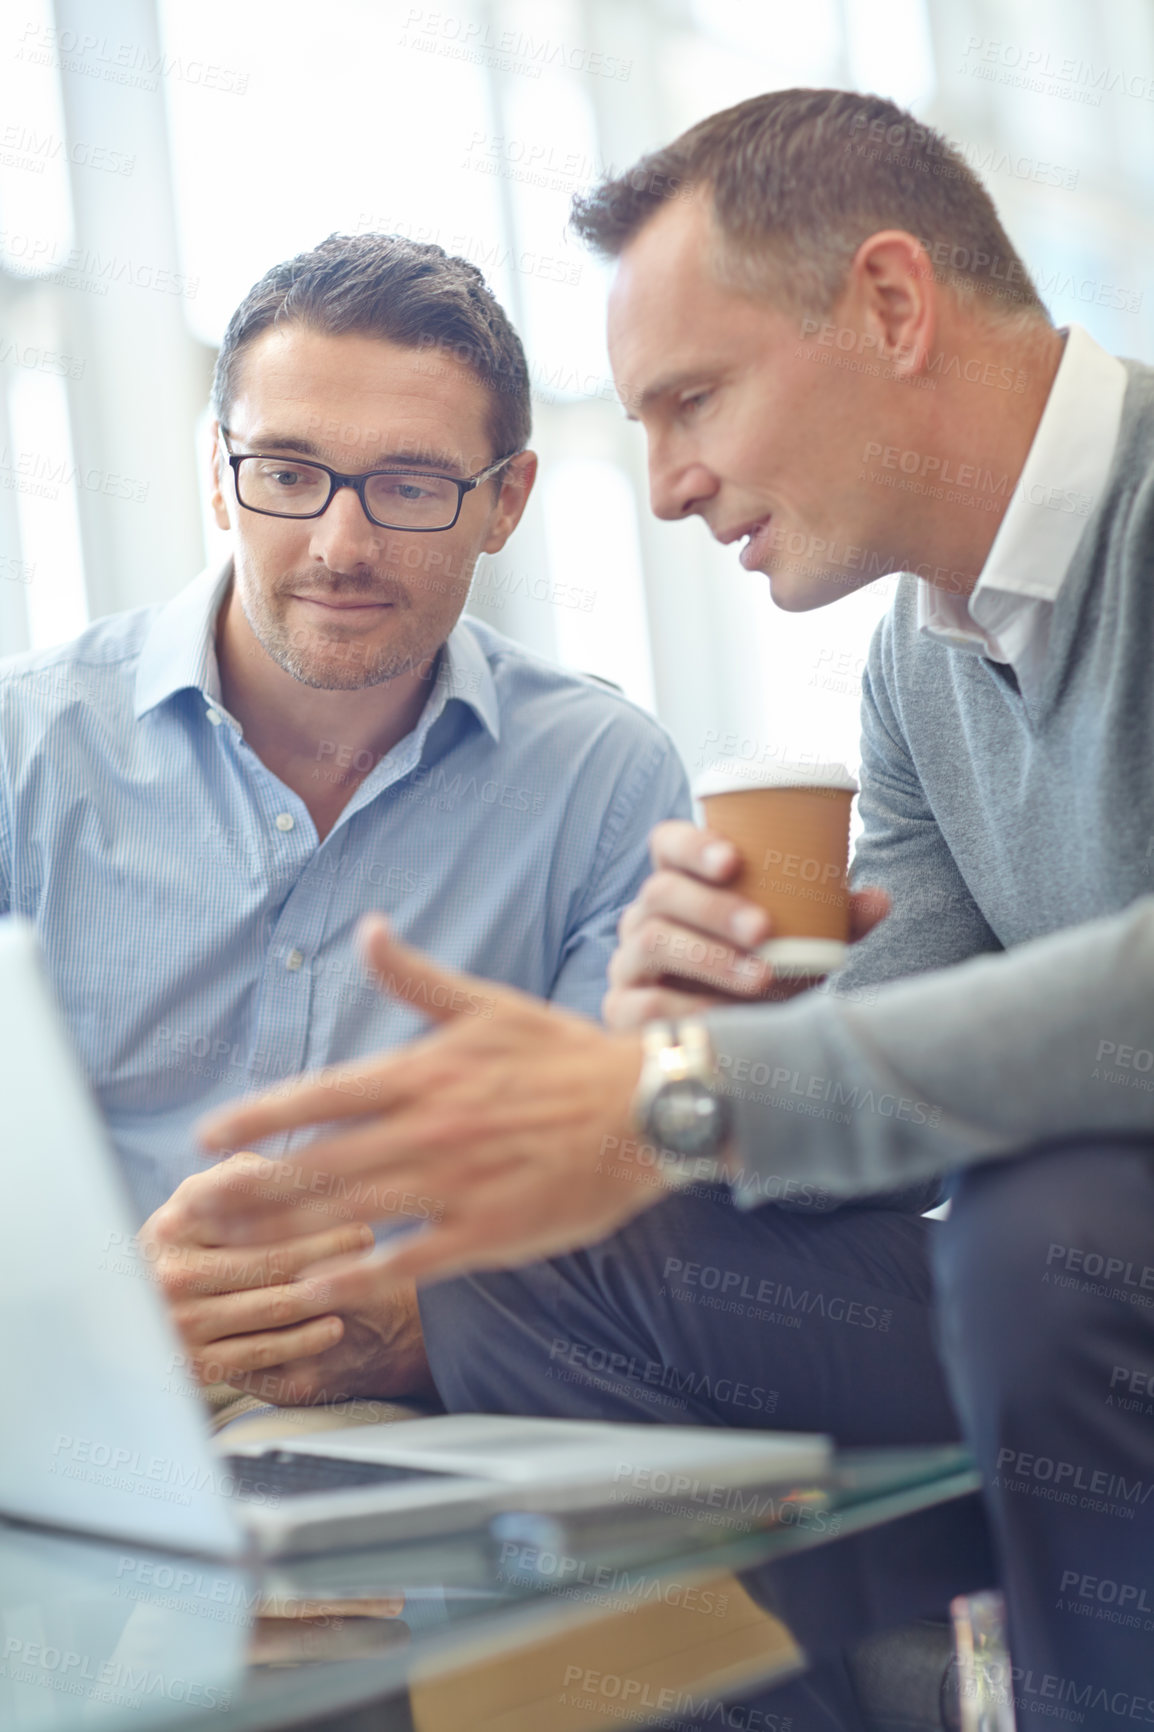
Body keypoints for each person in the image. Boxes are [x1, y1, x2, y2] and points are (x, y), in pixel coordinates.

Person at [192, 94, 1154, 1723]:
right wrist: (686, 1042)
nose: (661, 485)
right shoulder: (916, 662)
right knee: (523, 1253)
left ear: (891, 307)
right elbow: (861, 1082)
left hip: (1071, 1263)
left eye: (688, 399)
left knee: (1038, 1235)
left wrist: (681, 1092)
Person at [0, 230, 693, 1409]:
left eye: (412, 485)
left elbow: (624, 1199)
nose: (340, 546)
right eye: (287, 472)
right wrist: (94, 1314)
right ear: (219, 474)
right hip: (60, 1412)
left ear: (505, 503)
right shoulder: (27, 751)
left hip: (436, 1422)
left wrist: (422, 1327)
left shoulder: (604, 780)